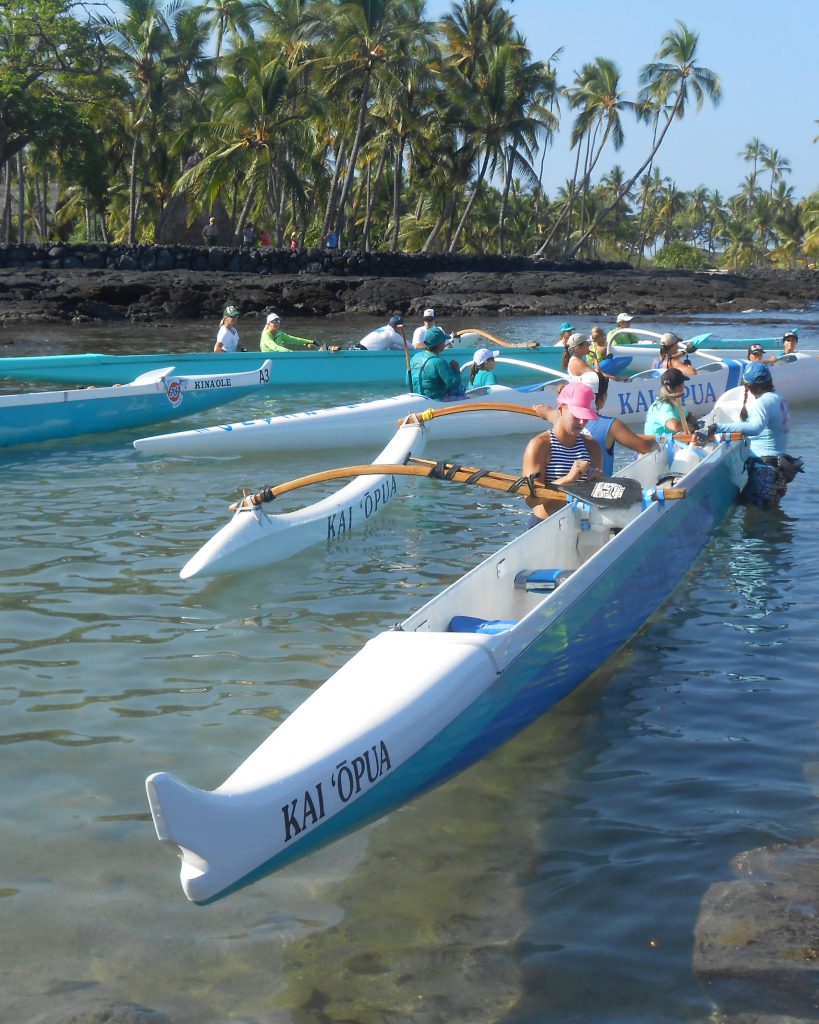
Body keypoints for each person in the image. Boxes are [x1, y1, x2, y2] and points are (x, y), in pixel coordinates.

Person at [709, 361, 800, 507]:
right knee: (769, 519)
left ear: (750, 385)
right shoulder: (779, 398)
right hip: (778, 468)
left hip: (765, 470)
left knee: (756, 523)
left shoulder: (763, 402)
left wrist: (718, 427)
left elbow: (755, 427)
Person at [521, 381, 603, 526]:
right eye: (577, 415)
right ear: (561, 409)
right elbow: (530, 500)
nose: (582, 421)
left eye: (586, 416)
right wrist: (568, 479)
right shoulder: (540, 445)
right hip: (545, 525)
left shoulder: (592, 446)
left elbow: (596, 495)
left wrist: (597, 482)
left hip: (580, 524)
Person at [409, 326, 465, 400]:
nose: (445, 343)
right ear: (439, 344)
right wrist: (456, 369)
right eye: (444, 341)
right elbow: (454, 385)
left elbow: (408, 381)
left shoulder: (415, 357)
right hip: (436, 401)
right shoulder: (439, 362)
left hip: (418, 399)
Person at [643, 367, 696, 436]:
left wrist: (694, 422)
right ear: (680, 386)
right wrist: (691, 427)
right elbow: (674, 426)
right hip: (659, 444)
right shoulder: (662, 405)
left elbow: (689, 415)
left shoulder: (675, 403)